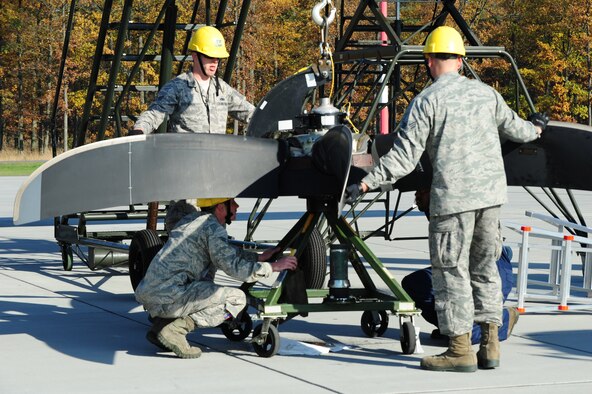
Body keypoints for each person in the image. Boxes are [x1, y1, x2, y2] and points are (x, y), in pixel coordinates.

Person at [345, 26, 548, 372]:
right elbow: (519, 130)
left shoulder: (427, 101)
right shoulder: (487, 95)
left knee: (451, 273)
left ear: (428, 60)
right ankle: (490, 346)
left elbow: (404, 157)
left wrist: (367, 184)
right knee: (485, 270)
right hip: (491, 199)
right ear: (461, 59)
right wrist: (538, 127)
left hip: (453, 201)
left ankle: (458, 350)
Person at [135, 198, 298, 359]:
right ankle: (175, 331)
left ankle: (161, 326)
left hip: (153, 293)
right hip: (171, 294)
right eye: (232, 202)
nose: (237, 206)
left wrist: (257, 258)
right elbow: (234, 268)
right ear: (221, 207)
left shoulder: (193, 220)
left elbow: (225, 251)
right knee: (237, 299)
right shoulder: (213, 227)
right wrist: (273, 267)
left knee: (205, 285)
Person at [402, 190, 520, 344]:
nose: (417, 194)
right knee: (415, 283)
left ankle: (501, 321)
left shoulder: (459, 204)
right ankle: (452, 328)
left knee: (466, 336)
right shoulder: (439, 206)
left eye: (422, 189)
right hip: (467, 265)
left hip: (492, 269)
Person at [131, 26, 255, 135]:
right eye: (209, 56)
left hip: (216, 159)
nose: (214, 62)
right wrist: (140, 129)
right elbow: (155, 113)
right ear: (195, 56)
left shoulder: (222, 89)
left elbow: (250, 113)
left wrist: (271, 122)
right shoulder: (178, 87)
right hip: (187, 158)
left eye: (217, 57)